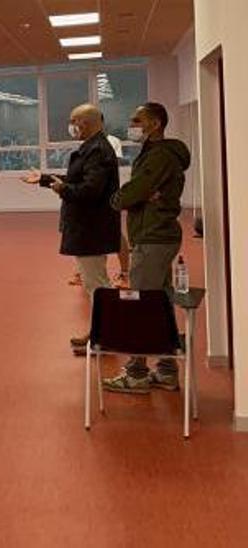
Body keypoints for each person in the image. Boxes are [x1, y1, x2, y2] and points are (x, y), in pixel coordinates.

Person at [103, 102, 191, 394]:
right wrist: (141, 194)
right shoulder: (155, 154)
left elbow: (133, 192)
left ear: (155, 124)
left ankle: (136, 373)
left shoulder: (160, 156)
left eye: (137, 120)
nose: (132, 125)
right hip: (156, 235)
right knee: (159, 303)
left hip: (152, 237)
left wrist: (122, 198)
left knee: (139, 305)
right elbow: (142, 190)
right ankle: (167, 370)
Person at [22, 104, 121, 354]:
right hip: (87, 227)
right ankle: (101, 331)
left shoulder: (98, 151)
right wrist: (46, 180)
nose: (71, 126)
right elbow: (79, 180)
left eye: (73, 121)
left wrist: (62, 190)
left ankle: (106, 335)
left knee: (96, 284)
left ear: (86, 123)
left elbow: (89, 190)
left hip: (91, 228)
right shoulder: (91, 149)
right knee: (93, 283)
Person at [106, 133, 131, 286]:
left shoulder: (112, 141)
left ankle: (125, 272)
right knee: (88, 233)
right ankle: (83, 271)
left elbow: (113, 164)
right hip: (90, 200)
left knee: (115, 233)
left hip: (108, 197)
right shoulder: (85, 143)